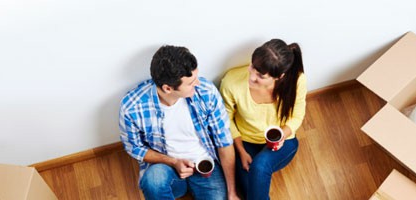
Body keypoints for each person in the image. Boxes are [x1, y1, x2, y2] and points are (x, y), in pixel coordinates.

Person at [119, 45, 240, 200]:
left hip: (206, 165)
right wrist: (173, 162)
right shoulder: (131, 107)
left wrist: (232, 193)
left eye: (196, 77)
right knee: (153, 180)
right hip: (168, 168)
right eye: (190, 83)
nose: (198, 84)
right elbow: (134, 148)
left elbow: (224, 140)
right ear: (168, 88)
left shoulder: (206, 91)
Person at [220, 39, 307, 199]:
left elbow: (297, 115)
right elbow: (226, 121)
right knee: (252, 192)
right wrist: (241, 151)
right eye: (252, 67)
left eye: (260, 76)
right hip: (245, 143)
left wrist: (283, 135)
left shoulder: (296, 80)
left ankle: (262, 168)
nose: (251, 77)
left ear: (279, 77)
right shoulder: (231, 82)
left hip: (282, 141)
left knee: (260, 167)